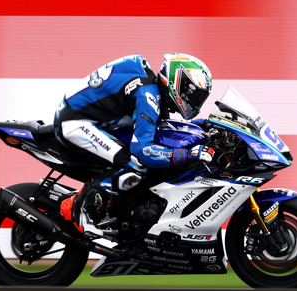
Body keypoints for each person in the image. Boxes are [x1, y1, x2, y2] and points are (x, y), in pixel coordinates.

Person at [54, 53, 214, 231]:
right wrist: (184, 155)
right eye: (194, 95)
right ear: (179, 83)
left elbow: (162, 126)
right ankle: (79, 207)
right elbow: (143, 151)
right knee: (135, 165)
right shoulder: (147, 94)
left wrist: (204, 125)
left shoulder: (151, 88)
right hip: (75, 123)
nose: (195, 102)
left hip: (90, 119)